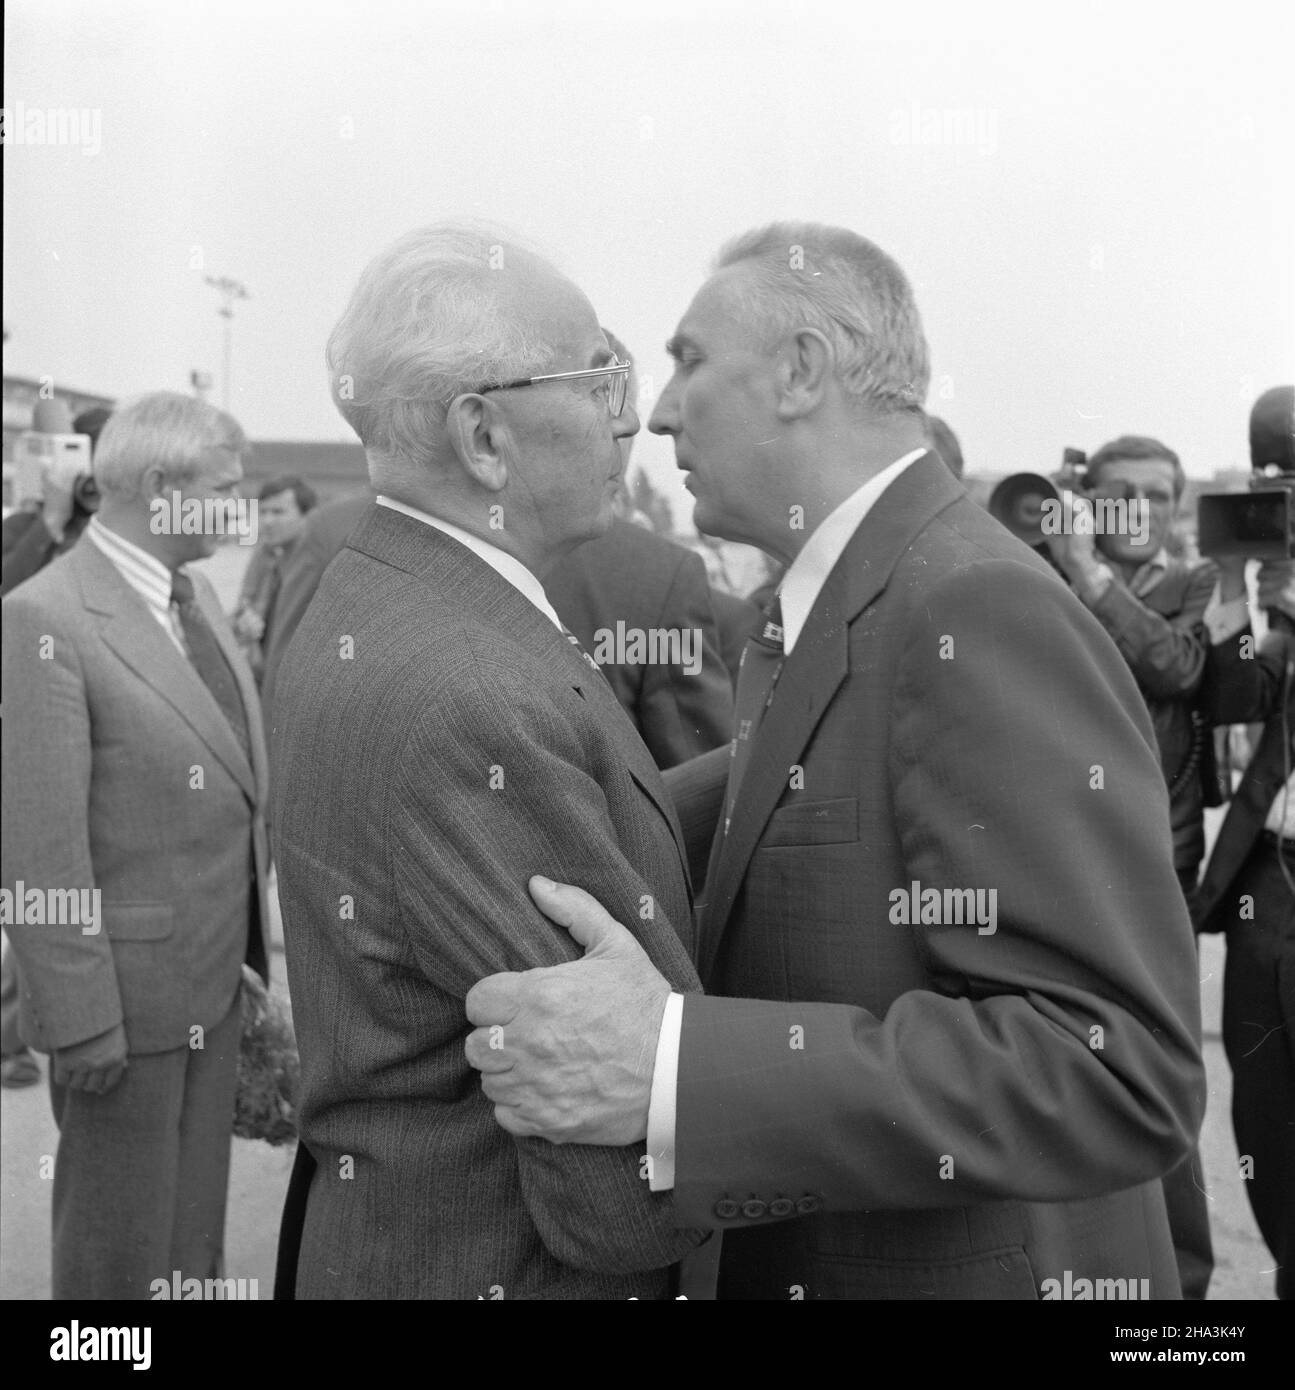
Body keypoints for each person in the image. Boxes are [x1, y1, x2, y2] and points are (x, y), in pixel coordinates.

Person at [465, 221, 1205, 1300]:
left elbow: (1108, 1069)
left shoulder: (969, 605)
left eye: (688, 360)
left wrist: (672, 1068)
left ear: (800, 371)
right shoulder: (840, 600)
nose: (658, 412)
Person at [270, 224, 709, 1299]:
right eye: (598, 380)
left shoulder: (377, 590)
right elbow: (616, 1186)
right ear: (483, 438)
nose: (630, 418)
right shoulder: (474, 696)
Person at [1, 391, 270, 1298]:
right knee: (117, 1258)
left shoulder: (193, 601)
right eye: (224, 492)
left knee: (189, 1242)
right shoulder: (47, 616)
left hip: (209, 987)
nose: (238, 511)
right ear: (162, 487)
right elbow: (38, 847)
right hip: (122, 1006)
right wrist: (80, 1019)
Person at [262, 338, 734, 772]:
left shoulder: (329, 533)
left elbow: (287, 714)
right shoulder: (660, 575)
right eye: (603, 403)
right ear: (483, 431)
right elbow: (701, 786)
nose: (626, 430)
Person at [1197, 543, 1295, 1296]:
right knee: (1265, 1106)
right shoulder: (1287, 623)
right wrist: (1237, 586)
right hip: (1268, 880)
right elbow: (1235, 696)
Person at [229, 474, 316, 683]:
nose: (268, 521)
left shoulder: (318, 564)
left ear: (308, 516)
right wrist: (243, 626)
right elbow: (240, 611)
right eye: (263, 512)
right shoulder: (264, 555)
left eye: (278, 512)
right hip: (263, 675)